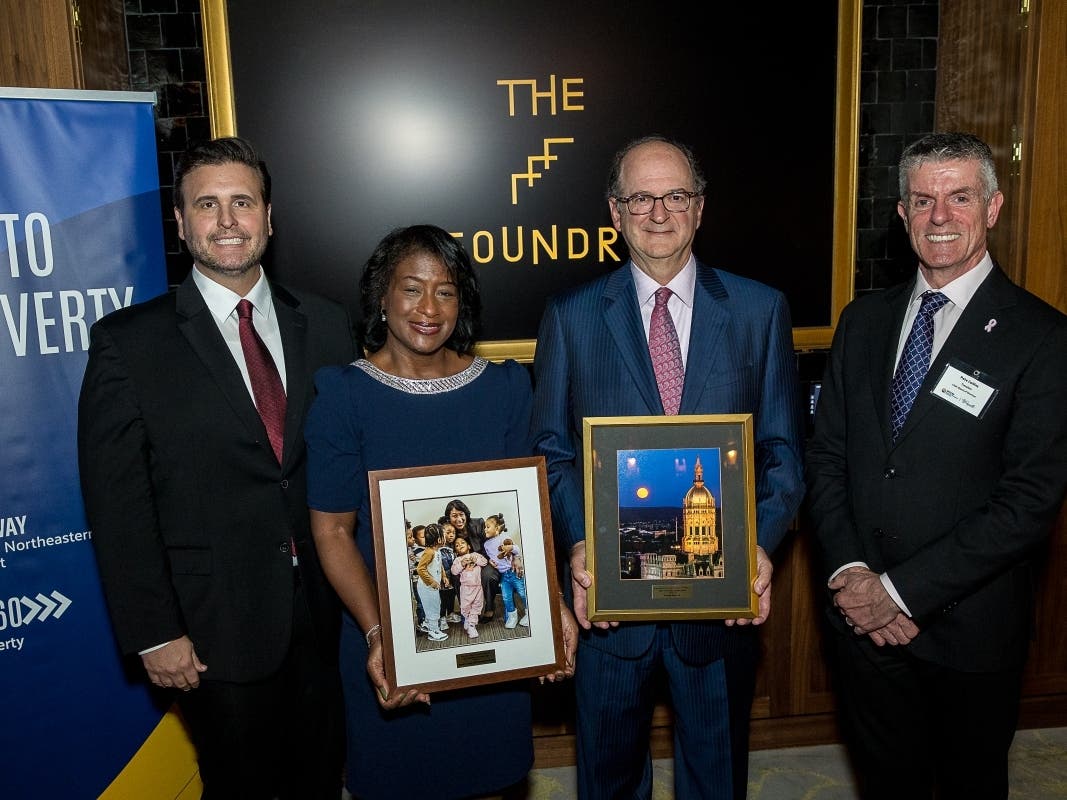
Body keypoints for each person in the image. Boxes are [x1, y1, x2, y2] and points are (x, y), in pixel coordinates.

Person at [77, 136, 354, 799]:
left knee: (322, 783)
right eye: (207, 204)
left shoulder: (327, 325)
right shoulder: (128, 343)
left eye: (242, 202)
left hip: (328, 619)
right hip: (212, 630)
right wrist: (154, 633)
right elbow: (117, 502)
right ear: (180, 223)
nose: (227, 220)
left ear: (268, 216)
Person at [531, 134, 805, 799]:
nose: (659, 212)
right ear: (614, 211)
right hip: (608, 609)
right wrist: (575, 542)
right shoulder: (569, 318)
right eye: (641, 198)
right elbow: (552, 451)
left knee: (715, 779)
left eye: (675, 195)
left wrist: (758, 545)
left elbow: (782, 453)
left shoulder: (758, 310)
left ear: (700, 208)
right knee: (606, 777)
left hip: (719, 610)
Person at [805, 131, 1067, 800]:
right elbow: (827, 458)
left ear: (993, 207)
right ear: (900, 214)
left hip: (967, 634)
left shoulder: (1041, 338)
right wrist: (851, 577)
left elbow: (1028, 503)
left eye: (958, 197)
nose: (940, 217)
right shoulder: (861, 321)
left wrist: (897, 593)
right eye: (922, 201)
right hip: (862, 630)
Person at [304, 223, 577, 800]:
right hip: (387, 638)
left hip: (492, 650)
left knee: (493, 779)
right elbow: (331, 532)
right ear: (382, 296)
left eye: (446, 291)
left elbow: (528, 517)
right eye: (411, 289)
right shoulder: (341, 395)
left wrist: (550, 607)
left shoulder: (505, 388)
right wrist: (382, 634)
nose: (429, 308)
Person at [444, 497, 500, 620]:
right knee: (455, 575)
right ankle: (466, 611)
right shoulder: (449, 531)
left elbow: (494, 541)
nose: (459, 519)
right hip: (463, 565)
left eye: (461, 514)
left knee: (488, 576)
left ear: (466, 514)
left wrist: (490, 558)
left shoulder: (478, 523)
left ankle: (490, 607)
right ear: (449, 518)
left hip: (484, 560)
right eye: (454, 516)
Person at [483, 515, 529, 629]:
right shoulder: (486, 544)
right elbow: (491, 556)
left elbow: (516, 549)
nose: (485, 529)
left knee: (523, 593)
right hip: (504, 575)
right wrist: (490, 561)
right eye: (485, 527)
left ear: (497, 528)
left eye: (488, 526)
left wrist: (511, 549)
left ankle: (530, 614)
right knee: (506, 597)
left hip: (513, 572)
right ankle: (512, 616)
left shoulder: (504, 537)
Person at [451, 534, 488, 638]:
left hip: (477, 587)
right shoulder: (458, 560)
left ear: (469, 546)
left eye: (462, 543)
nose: (460, 545)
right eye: (457, 545)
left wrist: (476, 560)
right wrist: (462, 564)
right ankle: (467, 619)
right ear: (456, 550)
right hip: (465, 588)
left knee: (477, 606)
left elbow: (484, 562)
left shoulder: (475, 554)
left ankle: (472, 625)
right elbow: (454, 571)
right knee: (465, 607)